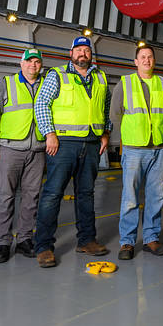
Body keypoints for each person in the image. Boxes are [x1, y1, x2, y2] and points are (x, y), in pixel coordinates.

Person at [32, 35, 111, 267]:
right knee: (52, 194)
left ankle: (86, 240)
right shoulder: (57, 75)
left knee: (86, 194)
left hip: (92, 144)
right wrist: (50, 134)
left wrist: (105, 133)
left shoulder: (101, 77)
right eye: (78, 50)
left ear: (91, 54)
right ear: (71, 54)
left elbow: (104, 107)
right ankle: (44, 246)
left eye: (86, 50)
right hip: (63, 144)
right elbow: (41, 103)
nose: (83, 54)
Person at [0, 47, 47, 264]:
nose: (33, 65)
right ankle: (2, 242)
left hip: (37, 150)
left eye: (37, 62)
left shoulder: (46, 84)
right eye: (29, 62)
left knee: (31, 197)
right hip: (10, 148)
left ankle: (24, 239)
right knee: (5, 196)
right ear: (21, 64)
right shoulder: (7, 83)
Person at [110, 44, 163, 260]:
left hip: (158, 148)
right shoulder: (125, 83)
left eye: (150, 57)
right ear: (136, 62)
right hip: (134, 149)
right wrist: (128, 136)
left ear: (154, 60)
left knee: (157, 196)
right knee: (130, 197)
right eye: (142, 57)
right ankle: (127, 242)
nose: (147, 60)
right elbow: (115, 114)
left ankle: (151, 238)